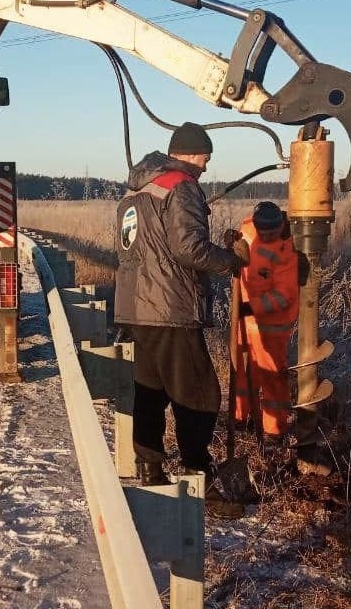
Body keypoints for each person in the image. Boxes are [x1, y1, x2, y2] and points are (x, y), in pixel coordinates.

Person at [114, 121, 249, 516]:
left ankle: (151, 471)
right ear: (190, 153)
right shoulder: (182, 186)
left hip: (136, 308)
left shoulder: (135, 191)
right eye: (205, 156)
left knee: (150, 392)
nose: (207, 165)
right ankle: (198, 480)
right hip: (171, 307)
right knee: (199, 394)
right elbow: (189, 249)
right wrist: (231, 262)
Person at [227, 201, 299, 443]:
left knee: (272, 378)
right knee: (241, 374)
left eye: (272, 234)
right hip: (243, 321)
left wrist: (252, 307)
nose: (267, 237)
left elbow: (285, 295)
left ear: (281, 227)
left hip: (271, 328)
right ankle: (239, 418)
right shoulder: (247, 229)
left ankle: (273, 431)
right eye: (263, 233)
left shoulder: (286, 251)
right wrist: (230, 242)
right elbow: (239, 248)